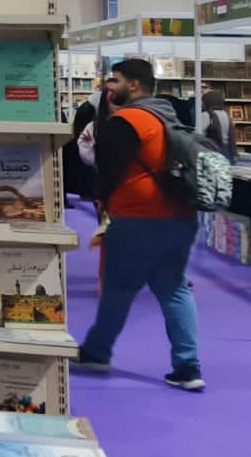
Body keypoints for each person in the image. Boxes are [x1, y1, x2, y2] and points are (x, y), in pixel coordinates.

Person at [72, 58, 204, 391]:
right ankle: (188, 367)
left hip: (137, 218)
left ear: (134, 85)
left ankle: (97, 352)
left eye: (114, 80)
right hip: (180, 216)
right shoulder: (170, 117)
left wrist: (100, 197)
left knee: (118, 289)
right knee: (174, 290)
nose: (108, 86)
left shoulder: (127, 121)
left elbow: (108, 169)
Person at [200, 89, 232, 155]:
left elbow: (199, 134)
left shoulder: (206, 115)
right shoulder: (225, 114)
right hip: (225, 149)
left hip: (211, 149)